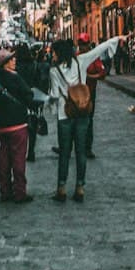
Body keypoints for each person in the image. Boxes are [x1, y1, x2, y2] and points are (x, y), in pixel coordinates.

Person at [49, 38, 105, 203]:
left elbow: (54, 95)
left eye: (53, 52)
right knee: (81, 152)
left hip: (65, 115)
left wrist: (48, 105)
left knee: (65, 153)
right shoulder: (80, 61)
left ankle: (61, 189)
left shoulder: (54, 71)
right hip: (82, 113)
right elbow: (99, 50)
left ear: (59, 53)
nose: (51, 55)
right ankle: (80, 188)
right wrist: (118, 39)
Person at [0, 50, 35, 203]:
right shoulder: (15, 77)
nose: (14, 61)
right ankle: (19, 192)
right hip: (18, 123)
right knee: (18, 160)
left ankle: (5, 191)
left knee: (4, 158)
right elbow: (28, 95)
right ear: (5, 63)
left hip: (2, 125)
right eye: (11, 59)